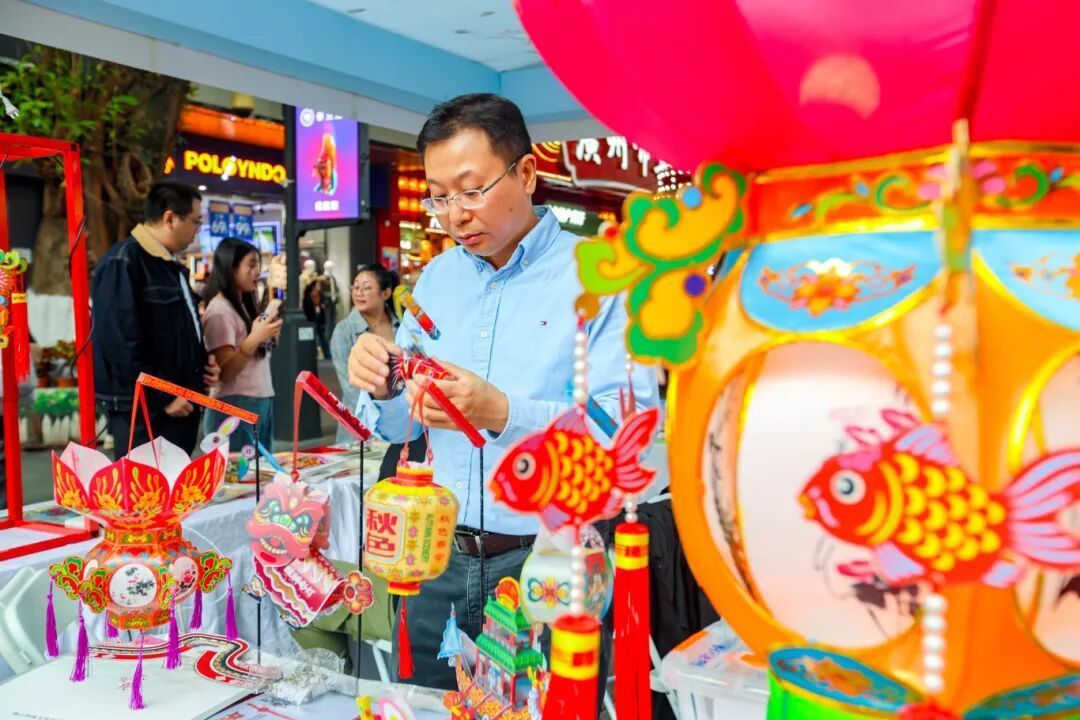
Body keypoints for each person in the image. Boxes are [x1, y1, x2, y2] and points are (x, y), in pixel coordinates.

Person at [348, 93, 657, 688]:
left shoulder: (602, 278)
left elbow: (626, 429)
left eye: (471, 190)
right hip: (435, 557)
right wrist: (383, 385)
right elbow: (399, 425)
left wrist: (503, 412)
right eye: (438, 196)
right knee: (426, 703)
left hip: (547, 560)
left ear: (528, 173)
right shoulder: (436, 280)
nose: (454, 215)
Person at [92, 182, 219, 458]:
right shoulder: (123, 262)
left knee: (177, 483)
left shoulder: (171, 266)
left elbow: (180, 329)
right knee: (145, 483)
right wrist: (162, 397)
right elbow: (121, 345)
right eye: (195, 221)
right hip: (147, 412)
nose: (197, 229)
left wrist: (202, 362)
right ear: (170, 218)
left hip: (182, 404)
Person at [201, 238, 282, 450]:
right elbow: (226, 371)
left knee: (261, 467)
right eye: (251, 265)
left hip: (258, 399)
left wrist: (266, 335)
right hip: (234, 403)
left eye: (258, 265)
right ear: (231, 268)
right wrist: (255, 338)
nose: (257, 272)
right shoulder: (219, 311)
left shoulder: (242, 305)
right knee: (240, 469)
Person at [329, 263, 399, 444]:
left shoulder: (401, 326)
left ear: (386, 293)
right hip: (359, 428)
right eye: (355, 287)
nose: (358, 293)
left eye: (366, 288)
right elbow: (351, 388)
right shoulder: (344, 330)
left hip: (401, 424)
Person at [303, 278, 332, 360]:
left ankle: (327, 353)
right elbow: (307, 307)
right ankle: (313, 353)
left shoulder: (320, 295)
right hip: (312, 319)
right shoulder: (308, 295)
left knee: (323, 337)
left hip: (320, 319)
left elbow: (323, 303)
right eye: (318, 285)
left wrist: (322, 305)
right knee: (313, 338)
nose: (320, 286)